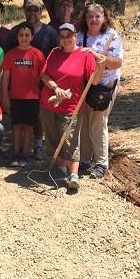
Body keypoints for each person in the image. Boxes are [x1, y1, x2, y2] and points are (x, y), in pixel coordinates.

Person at [40, 23, 104, 191]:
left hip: (72, 106)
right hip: (49, 104)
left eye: (69, 35)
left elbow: (95, 80)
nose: (66, 39)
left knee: (70, 140)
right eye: (62, 36)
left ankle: (74, 175)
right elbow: (44, 74)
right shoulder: (54, 53)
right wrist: (55, 88)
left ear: (76, 36)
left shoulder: (84, 55)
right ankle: (61, 170)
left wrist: (101, 65)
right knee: (53, 138)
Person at [5, 0, 60, 159]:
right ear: (25, 11)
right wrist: (6, 91)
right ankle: (18, 148)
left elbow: (56, 55)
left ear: (40, 12)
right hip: (18, 86)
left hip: (42, 84)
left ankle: (37, 145)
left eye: (36, 10)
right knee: (18, 122)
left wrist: (54, 84)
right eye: (29, 10)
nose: (32, 13)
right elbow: (8, 62)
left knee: (37, 118)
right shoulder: (14, 32)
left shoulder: (49, 32)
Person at [76, 3, 123, 179]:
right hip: (84, 85)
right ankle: (85, 159)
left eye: (97, 16)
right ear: (85, 19)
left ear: (103, 18)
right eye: (90, 17)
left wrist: (95, 56)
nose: (94, 20)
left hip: (105, 85)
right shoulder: (80, 36)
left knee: (98, 122)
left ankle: (101, 163)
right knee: (84, 121)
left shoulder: (112, 36)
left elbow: (116, 62)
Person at [0, 21, 45, 167]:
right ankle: (15, 153)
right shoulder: (11, 54)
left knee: (28, 126)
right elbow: (5, 77)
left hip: (33, 97)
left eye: (27, 35)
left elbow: (44, 76)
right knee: (16, 125)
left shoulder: (37, 54)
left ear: (32, 37)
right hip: (15, 97)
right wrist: (5, 96)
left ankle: (25, 154)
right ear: (17, 36)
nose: (24, 38)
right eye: (21, 35)